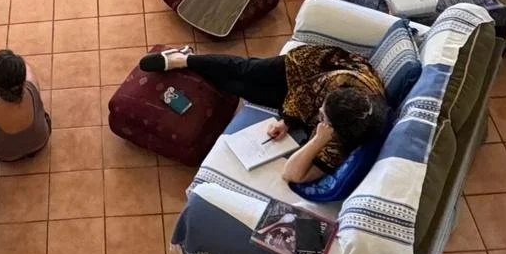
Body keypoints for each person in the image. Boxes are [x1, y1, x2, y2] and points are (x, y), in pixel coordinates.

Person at [141, 44, 388, 182]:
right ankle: (183, 60)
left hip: (310, 102)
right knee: (250, 70)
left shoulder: (340, 142)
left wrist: (318, 139)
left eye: (323, 115)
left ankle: (192, 65)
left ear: (332, 127)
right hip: (317, 67)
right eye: (322, 108)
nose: (321, 111)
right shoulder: (341, 83)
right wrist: (288, 120)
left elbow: (292, 175)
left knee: (240, 88)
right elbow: (308, 91)